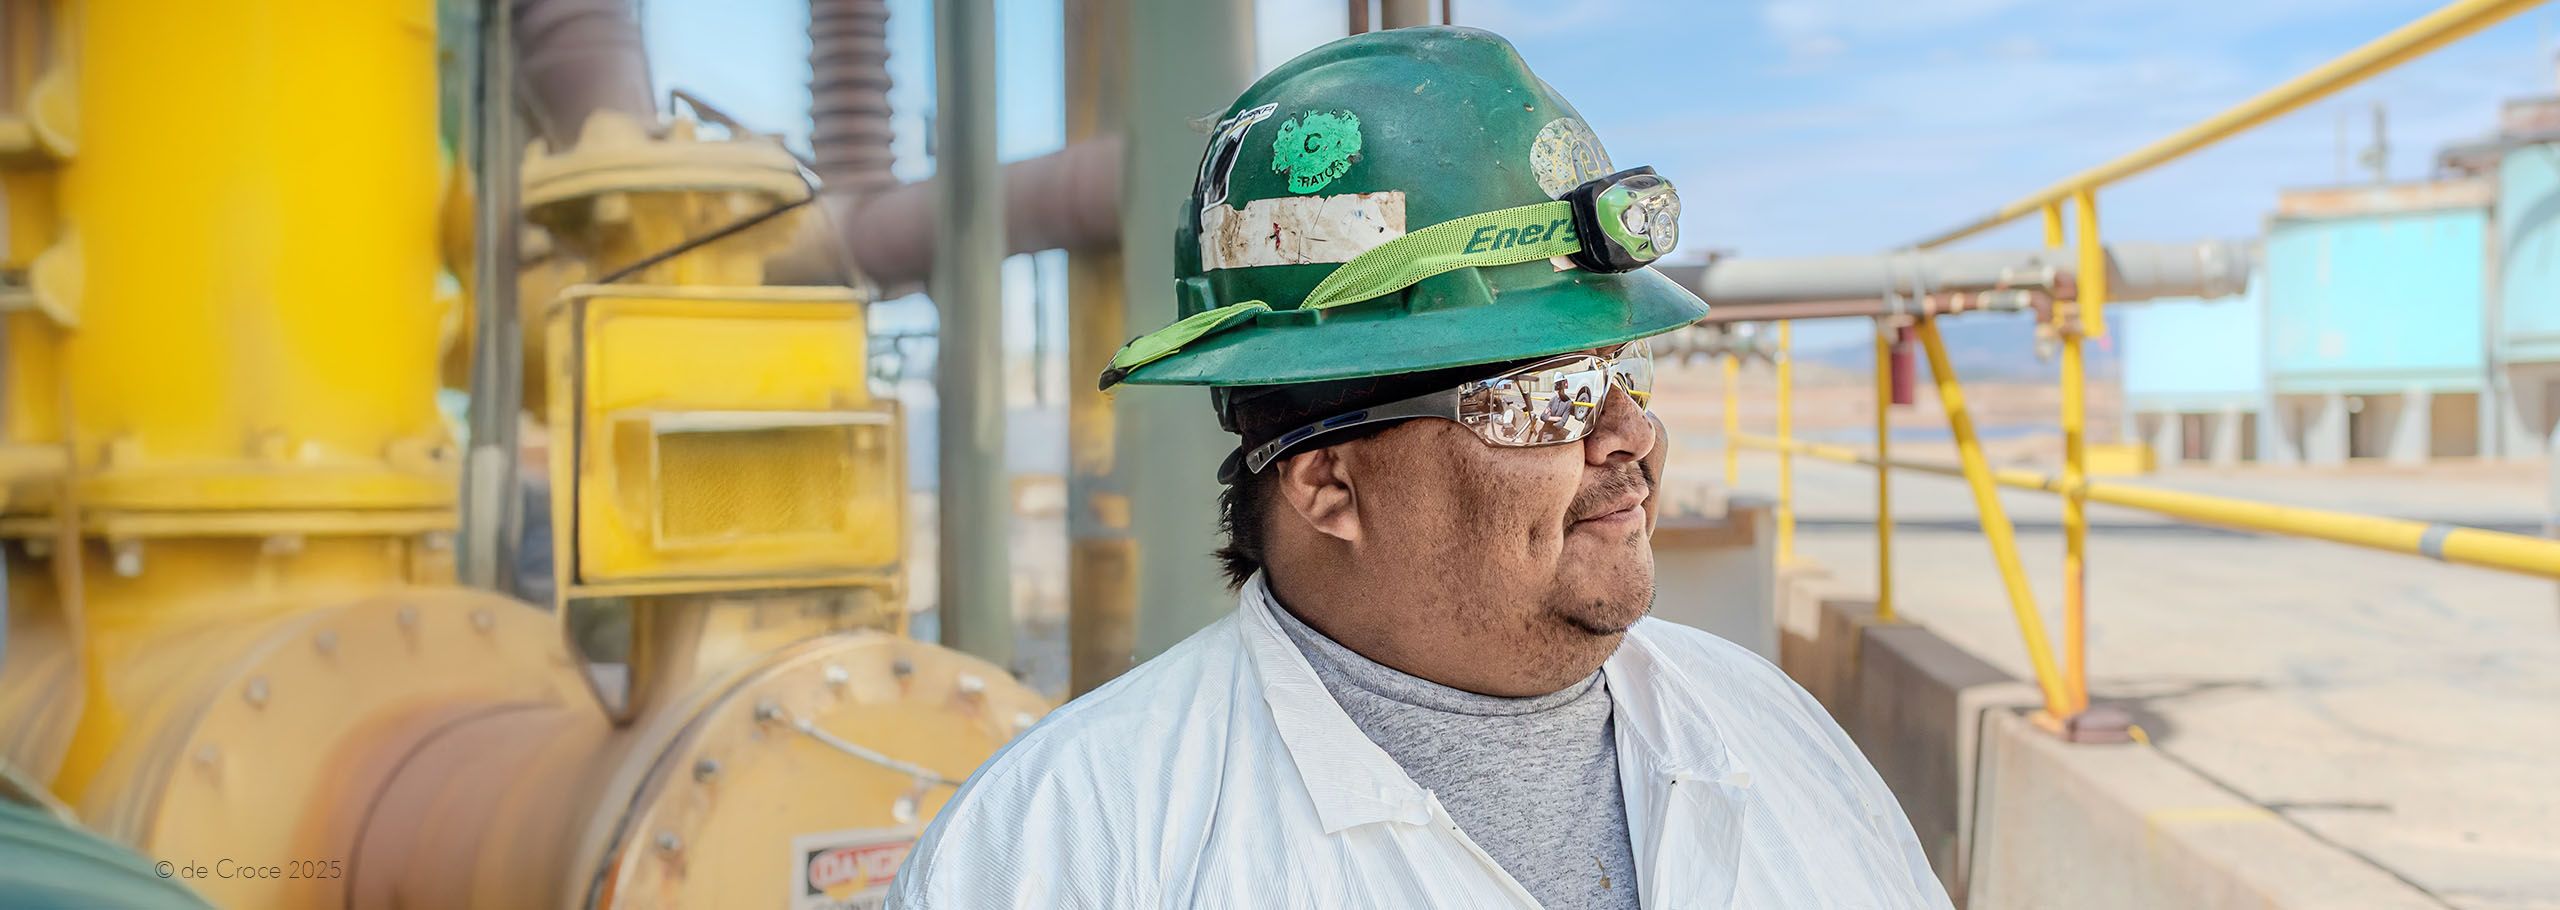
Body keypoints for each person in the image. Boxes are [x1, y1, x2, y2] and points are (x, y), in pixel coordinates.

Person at [891, 26, 1953, 910]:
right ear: (1327, 485)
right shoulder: (1066, 847)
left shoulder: (1766, 726)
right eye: (1542, 401)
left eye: (1621, 370)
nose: (1629, 436)